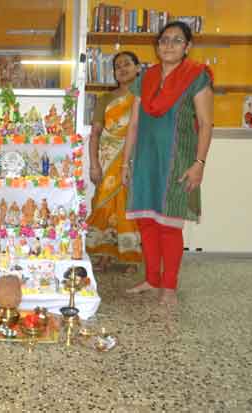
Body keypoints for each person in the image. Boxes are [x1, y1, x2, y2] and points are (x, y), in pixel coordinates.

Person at [122, 21, 214, 305]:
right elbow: (134, 124)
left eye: (176, 40)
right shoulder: (146, 78)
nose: (169, 45)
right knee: (147, 222)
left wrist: (199, 163)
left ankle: (169, 286)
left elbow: (206, 124)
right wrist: (125, 163)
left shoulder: (196, 76)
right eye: (164, 40)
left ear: (188, 46)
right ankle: (152, 279)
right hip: (146, 160)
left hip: (178, 160)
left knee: (170, 225)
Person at [86, 52, 143, 274]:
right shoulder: (105, 99)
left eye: (127, 64)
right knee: (105, 205)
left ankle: (131, 257)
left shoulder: (145, 97)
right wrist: (94, 165)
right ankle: (105, 255)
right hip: (109, 159)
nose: (122, 69)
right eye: (118, 66)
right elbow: (95, 133)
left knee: (129, 207)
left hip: (136, 159)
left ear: (138, 68)